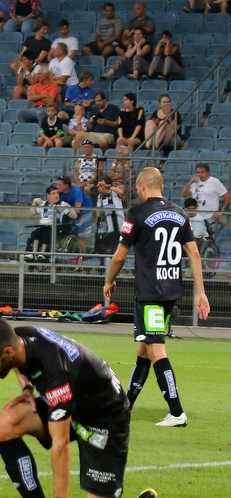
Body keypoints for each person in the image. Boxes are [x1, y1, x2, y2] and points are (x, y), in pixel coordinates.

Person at [0, 318, 160, 498]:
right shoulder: (17, 338)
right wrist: (28, 388)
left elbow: (61, 443)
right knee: (3, 423)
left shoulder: (56, 369)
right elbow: (18, 364)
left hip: (105, 418)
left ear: (9, 352)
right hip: (71, 402)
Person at [104, 167, 210, 427]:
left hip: (150, 293)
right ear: (160, 185)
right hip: (170, 292)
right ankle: (125, 406)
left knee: (155, 349)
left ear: (141, 186)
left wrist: (108, 280)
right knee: (144, 349)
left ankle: (176, 412)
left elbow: (119, 255)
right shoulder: (180, 213)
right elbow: (195, 255)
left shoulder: (137, 213)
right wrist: (201, 292)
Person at [26, 184, 77, 259]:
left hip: (57, 228)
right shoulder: (44, 204)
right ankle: (33, 253)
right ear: (48, 195)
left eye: (57, 193)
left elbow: (74, 216)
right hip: (44, 226)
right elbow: (32, 213)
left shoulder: (62, 204)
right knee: (36, 232)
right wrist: (34, 202)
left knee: (46, 233)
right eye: (53, 193)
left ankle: (42, 253)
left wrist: (68, 207)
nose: (56, 195)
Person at [93, 175, 125, 254]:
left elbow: (121, 192)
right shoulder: (100, 196)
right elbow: (98, 208)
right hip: (110, 225)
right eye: (99, 187)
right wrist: (98, 219)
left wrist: (108, 186)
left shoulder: (114, 192)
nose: (99, 189)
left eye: (101, 186)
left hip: (120, 224)